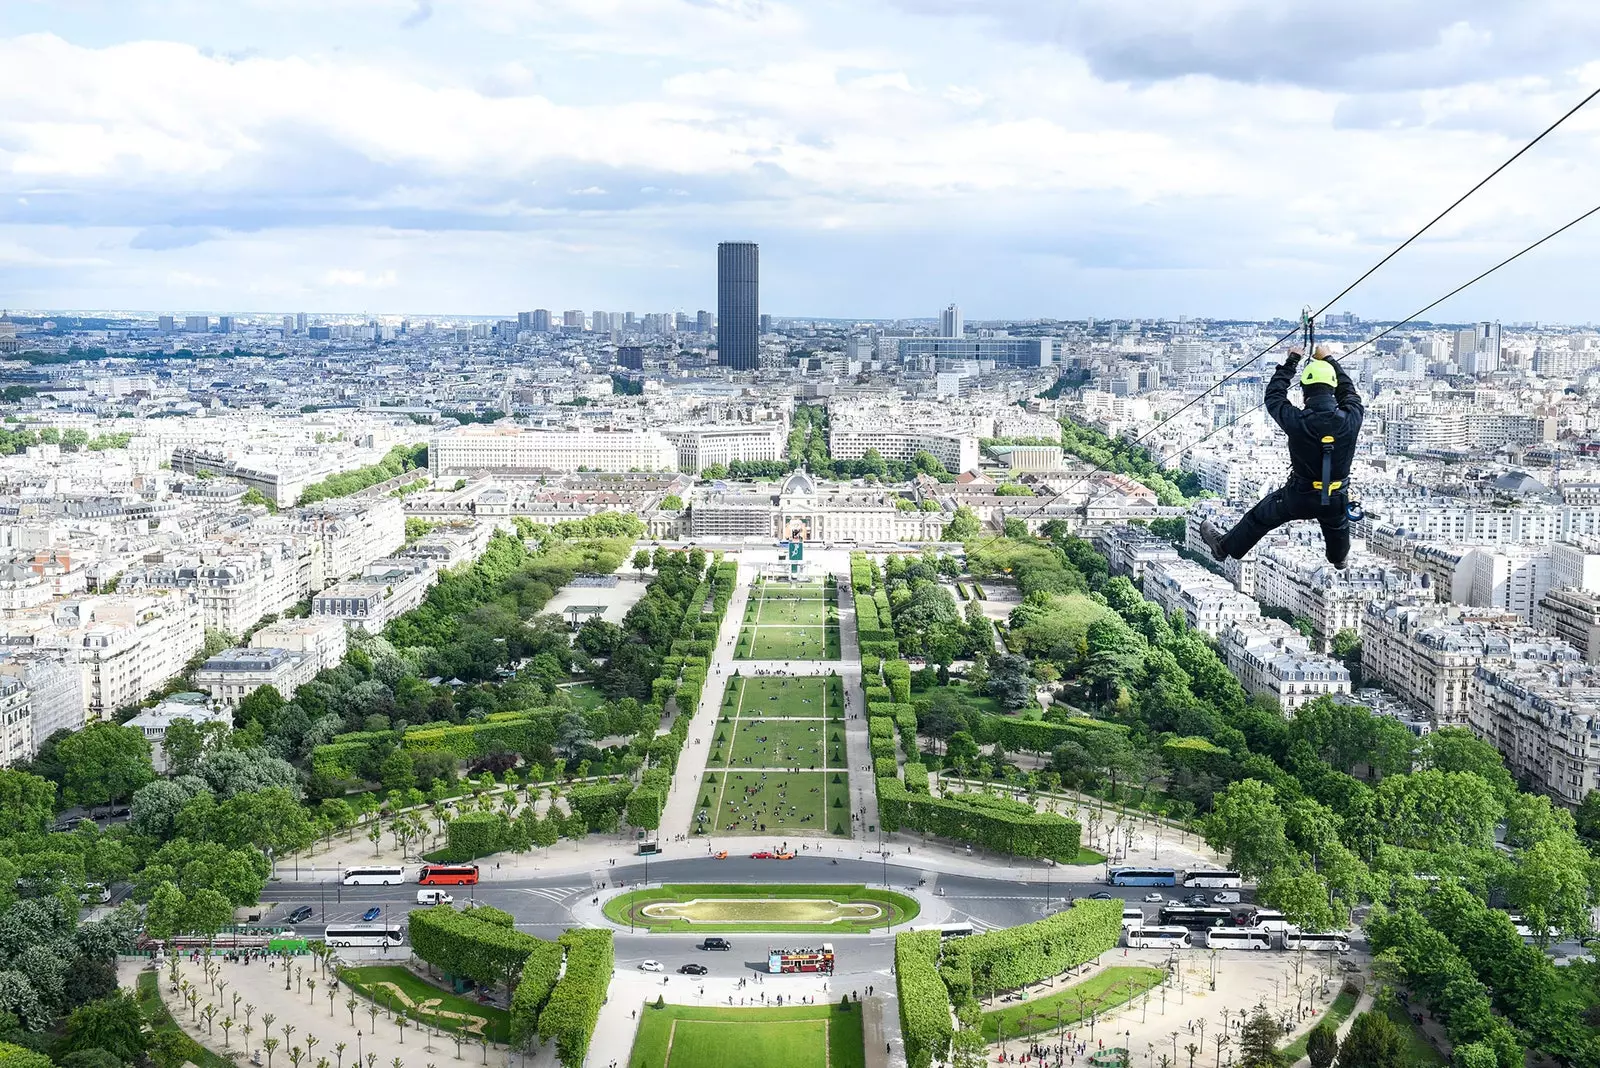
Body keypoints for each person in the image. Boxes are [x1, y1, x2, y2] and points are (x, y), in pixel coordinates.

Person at [1201, 345, 1364, 568]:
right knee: (1337, 528)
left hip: (1298, 496)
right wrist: (1329, 358)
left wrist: (1292, 360)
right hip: (1336, 498)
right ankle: (1339, 557)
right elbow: (1348, 391)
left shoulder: (1296, 420)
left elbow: (1274, 396)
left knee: (1259, 518)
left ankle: (1224, 547)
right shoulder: (1352, 417)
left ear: (1304, 391)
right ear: (1333, 388)